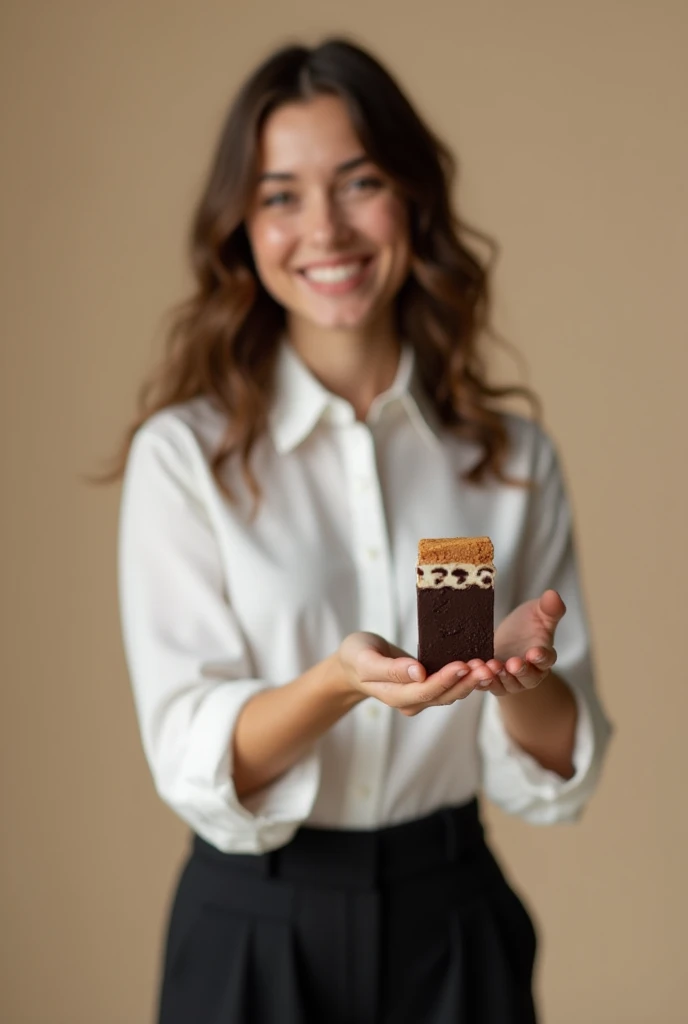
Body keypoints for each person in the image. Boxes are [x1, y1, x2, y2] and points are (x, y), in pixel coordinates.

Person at [109, 37, 612, 1024]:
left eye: (359, 182)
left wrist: (527, 674)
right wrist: (338, 683)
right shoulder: (186, 458)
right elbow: (191, 753)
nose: (325, 229)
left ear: (412, 199)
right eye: (280, 194)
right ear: (240, 227)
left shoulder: (505, 458)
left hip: (453, 919)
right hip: (252, 928)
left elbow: (558, 770)